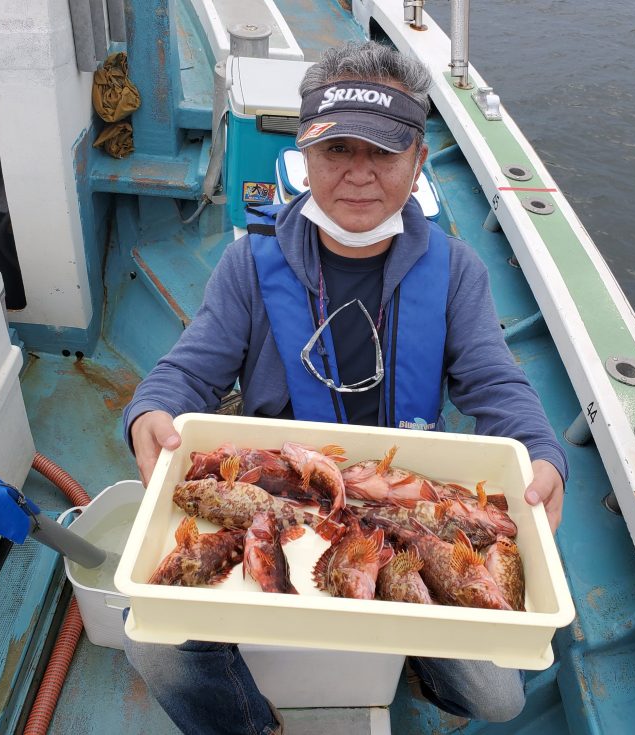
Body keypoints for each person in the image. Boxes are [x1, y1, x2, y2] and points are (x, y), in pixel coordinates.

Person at [123, 40, 568, 735]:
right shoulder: (248, 266)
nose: (359, 175)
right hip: (274, 502)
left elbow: (497, 384)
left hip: (404, 522)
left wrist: (542, 451)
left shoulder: (456, 275)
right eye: (338, 151)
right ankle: (248, 723)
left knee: (499, 697)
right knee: (151, 645)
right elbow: (187, 369)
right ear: (305, 153)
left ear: (418, 161)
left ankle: (416, 653)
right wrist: (151, 410)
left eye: (383, 153)